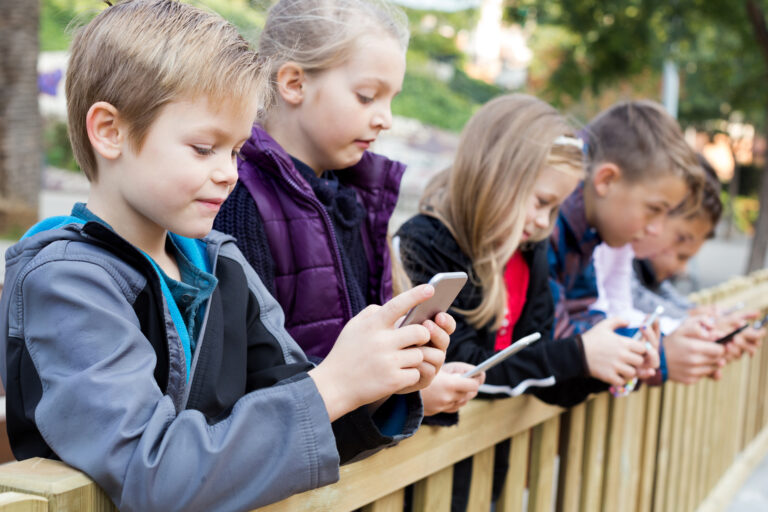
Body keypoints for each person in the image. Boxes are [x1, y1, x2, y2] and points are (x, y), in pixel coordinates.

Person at [0, 2, 453, 510]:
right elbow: (153, 473)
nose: (228, 172)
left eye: (236, 150)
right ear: (110, 130)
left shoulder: (223, 262)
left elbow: (296, 408)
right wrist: (334, 383)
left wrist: (378, 383)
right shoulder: (64, 283)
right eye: (202, 148)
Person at [214, 0, 481, 417]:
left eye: (391, 99)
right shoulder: (238, 200)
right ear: (294, 83)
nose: (386, 119)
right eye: (367, 96)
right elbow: (254, 386)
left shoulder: (351, 197)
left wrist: (408, 375)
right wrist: (400, 400)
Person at [396, 94, 658, 512]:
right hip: (419, 483)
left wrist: (601, 365)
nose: (543, 222)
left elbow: (538, 373)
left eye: (554, 208)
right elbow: (464, 365)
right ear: (495, 175)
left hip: (484, 481)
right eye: (540, 201)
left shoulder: (529, 253)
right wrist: (577, 354)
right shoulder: (427, 243)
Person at [547, 100, 723, 386]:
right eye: (654, 209)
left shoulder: (589, 229)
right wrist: (658, 358)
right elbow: (555, 342)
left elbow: (589, 320)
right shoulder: (550, 225)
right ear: (606, 180)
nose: (654, 228)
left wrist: (654, 351)